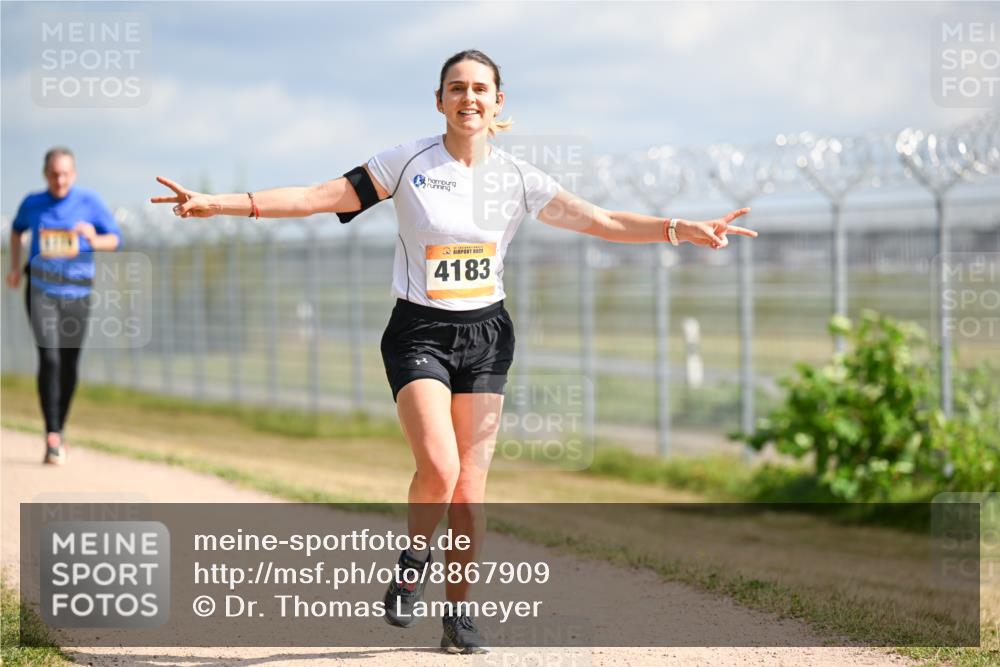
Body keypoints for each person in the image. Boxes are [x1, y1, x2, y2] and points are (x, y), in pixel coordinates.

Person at [152, 49, 757, 654]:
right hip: (419, 332)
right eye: (456, 88)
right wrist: (220, 203)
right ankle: (415, 557)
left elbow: (599, 220)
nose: (469, 98)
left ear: (499, 103)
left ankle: (459, 616)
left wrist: (682, 227)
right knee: (438, 469)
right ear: (439, 100)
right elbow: (319, 196)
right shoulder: (408, 162)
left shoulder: (519, 177)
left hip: (488, 337)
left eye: (480, 90)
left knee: (469, 492)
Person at [6, 147, 122, 465]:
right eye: (54, 174)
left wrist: (91, 239)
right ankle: (52, 434)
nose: (60, 179)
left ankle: (61, 427)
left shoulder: (90, 202)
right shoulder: (32, 203)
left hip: (78, 292)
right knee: (50, 358)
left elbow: (116, 239)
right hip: (41, 289)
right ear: (45, 174)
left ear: (74, 173)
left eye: (66, 173)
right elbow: (16, 231)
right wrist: (15, 267)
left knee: (70, 364)